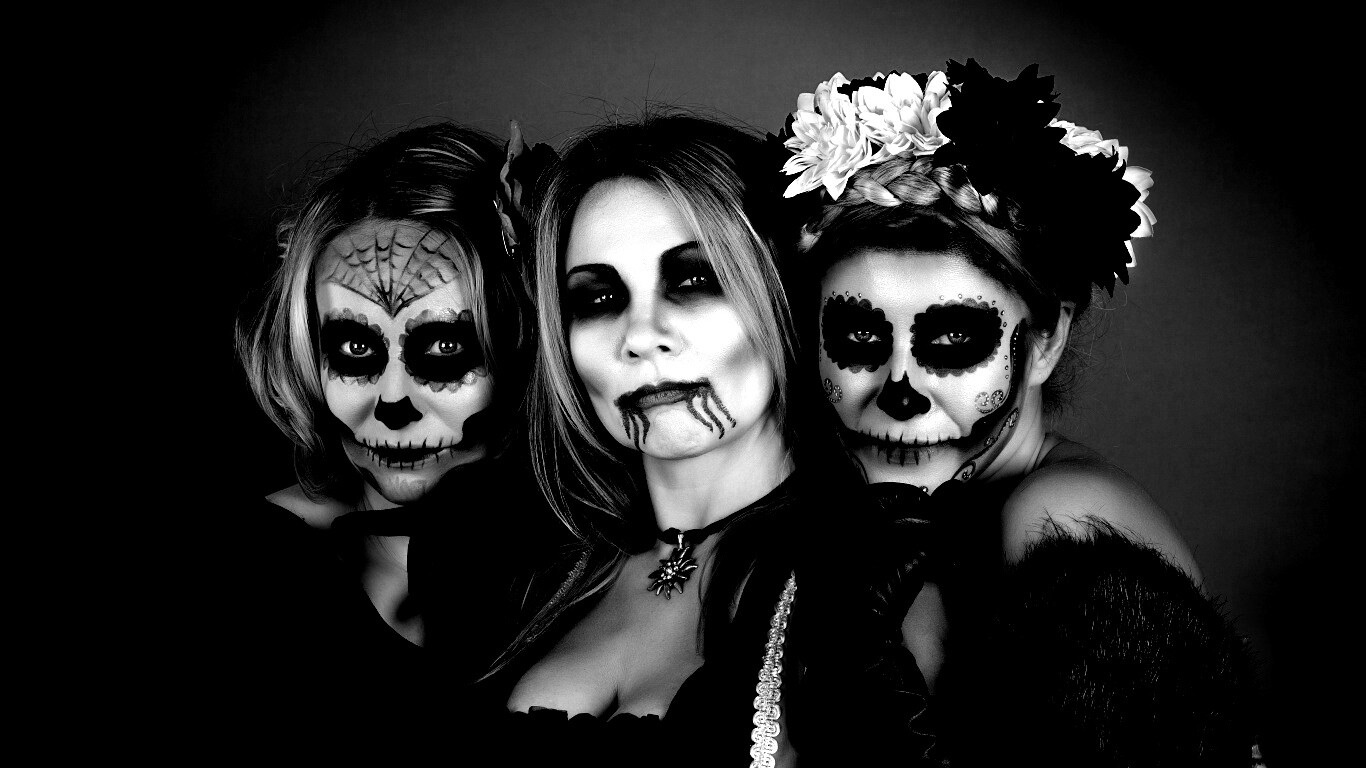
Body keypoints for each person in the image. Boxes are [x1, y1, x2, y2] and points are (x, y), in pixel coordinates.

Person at [775, 60, 1259, 766]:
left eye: (952, 341)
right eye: (858, 339)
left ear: (1046, 340)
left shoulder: (1063, 515)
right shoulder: (896, 518)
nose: (899, 390)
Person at [468, 112, 937, 767]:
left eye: (694, 281)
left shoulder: (875, 582)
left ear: (783, 296)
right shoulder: (526, 562)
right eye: (597, 299)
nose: (641, 336)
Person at [228, 120, 548, 731]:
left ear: (530, 344)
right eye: (355, 350)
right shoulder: (247, 569)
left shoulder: (610, 567)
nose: (392, 403)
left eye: (446, 348)